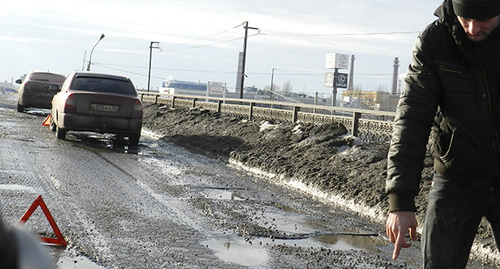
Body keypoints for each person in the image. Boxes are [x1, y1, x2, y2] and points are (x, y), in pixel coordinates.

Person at [385, 0, 500, 267]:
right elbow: (411, 119)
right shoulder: (435, 41)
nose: (472, 28)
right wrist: (400, 202)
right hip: (456, 178)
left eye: (483, 20)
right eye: (465, 18)